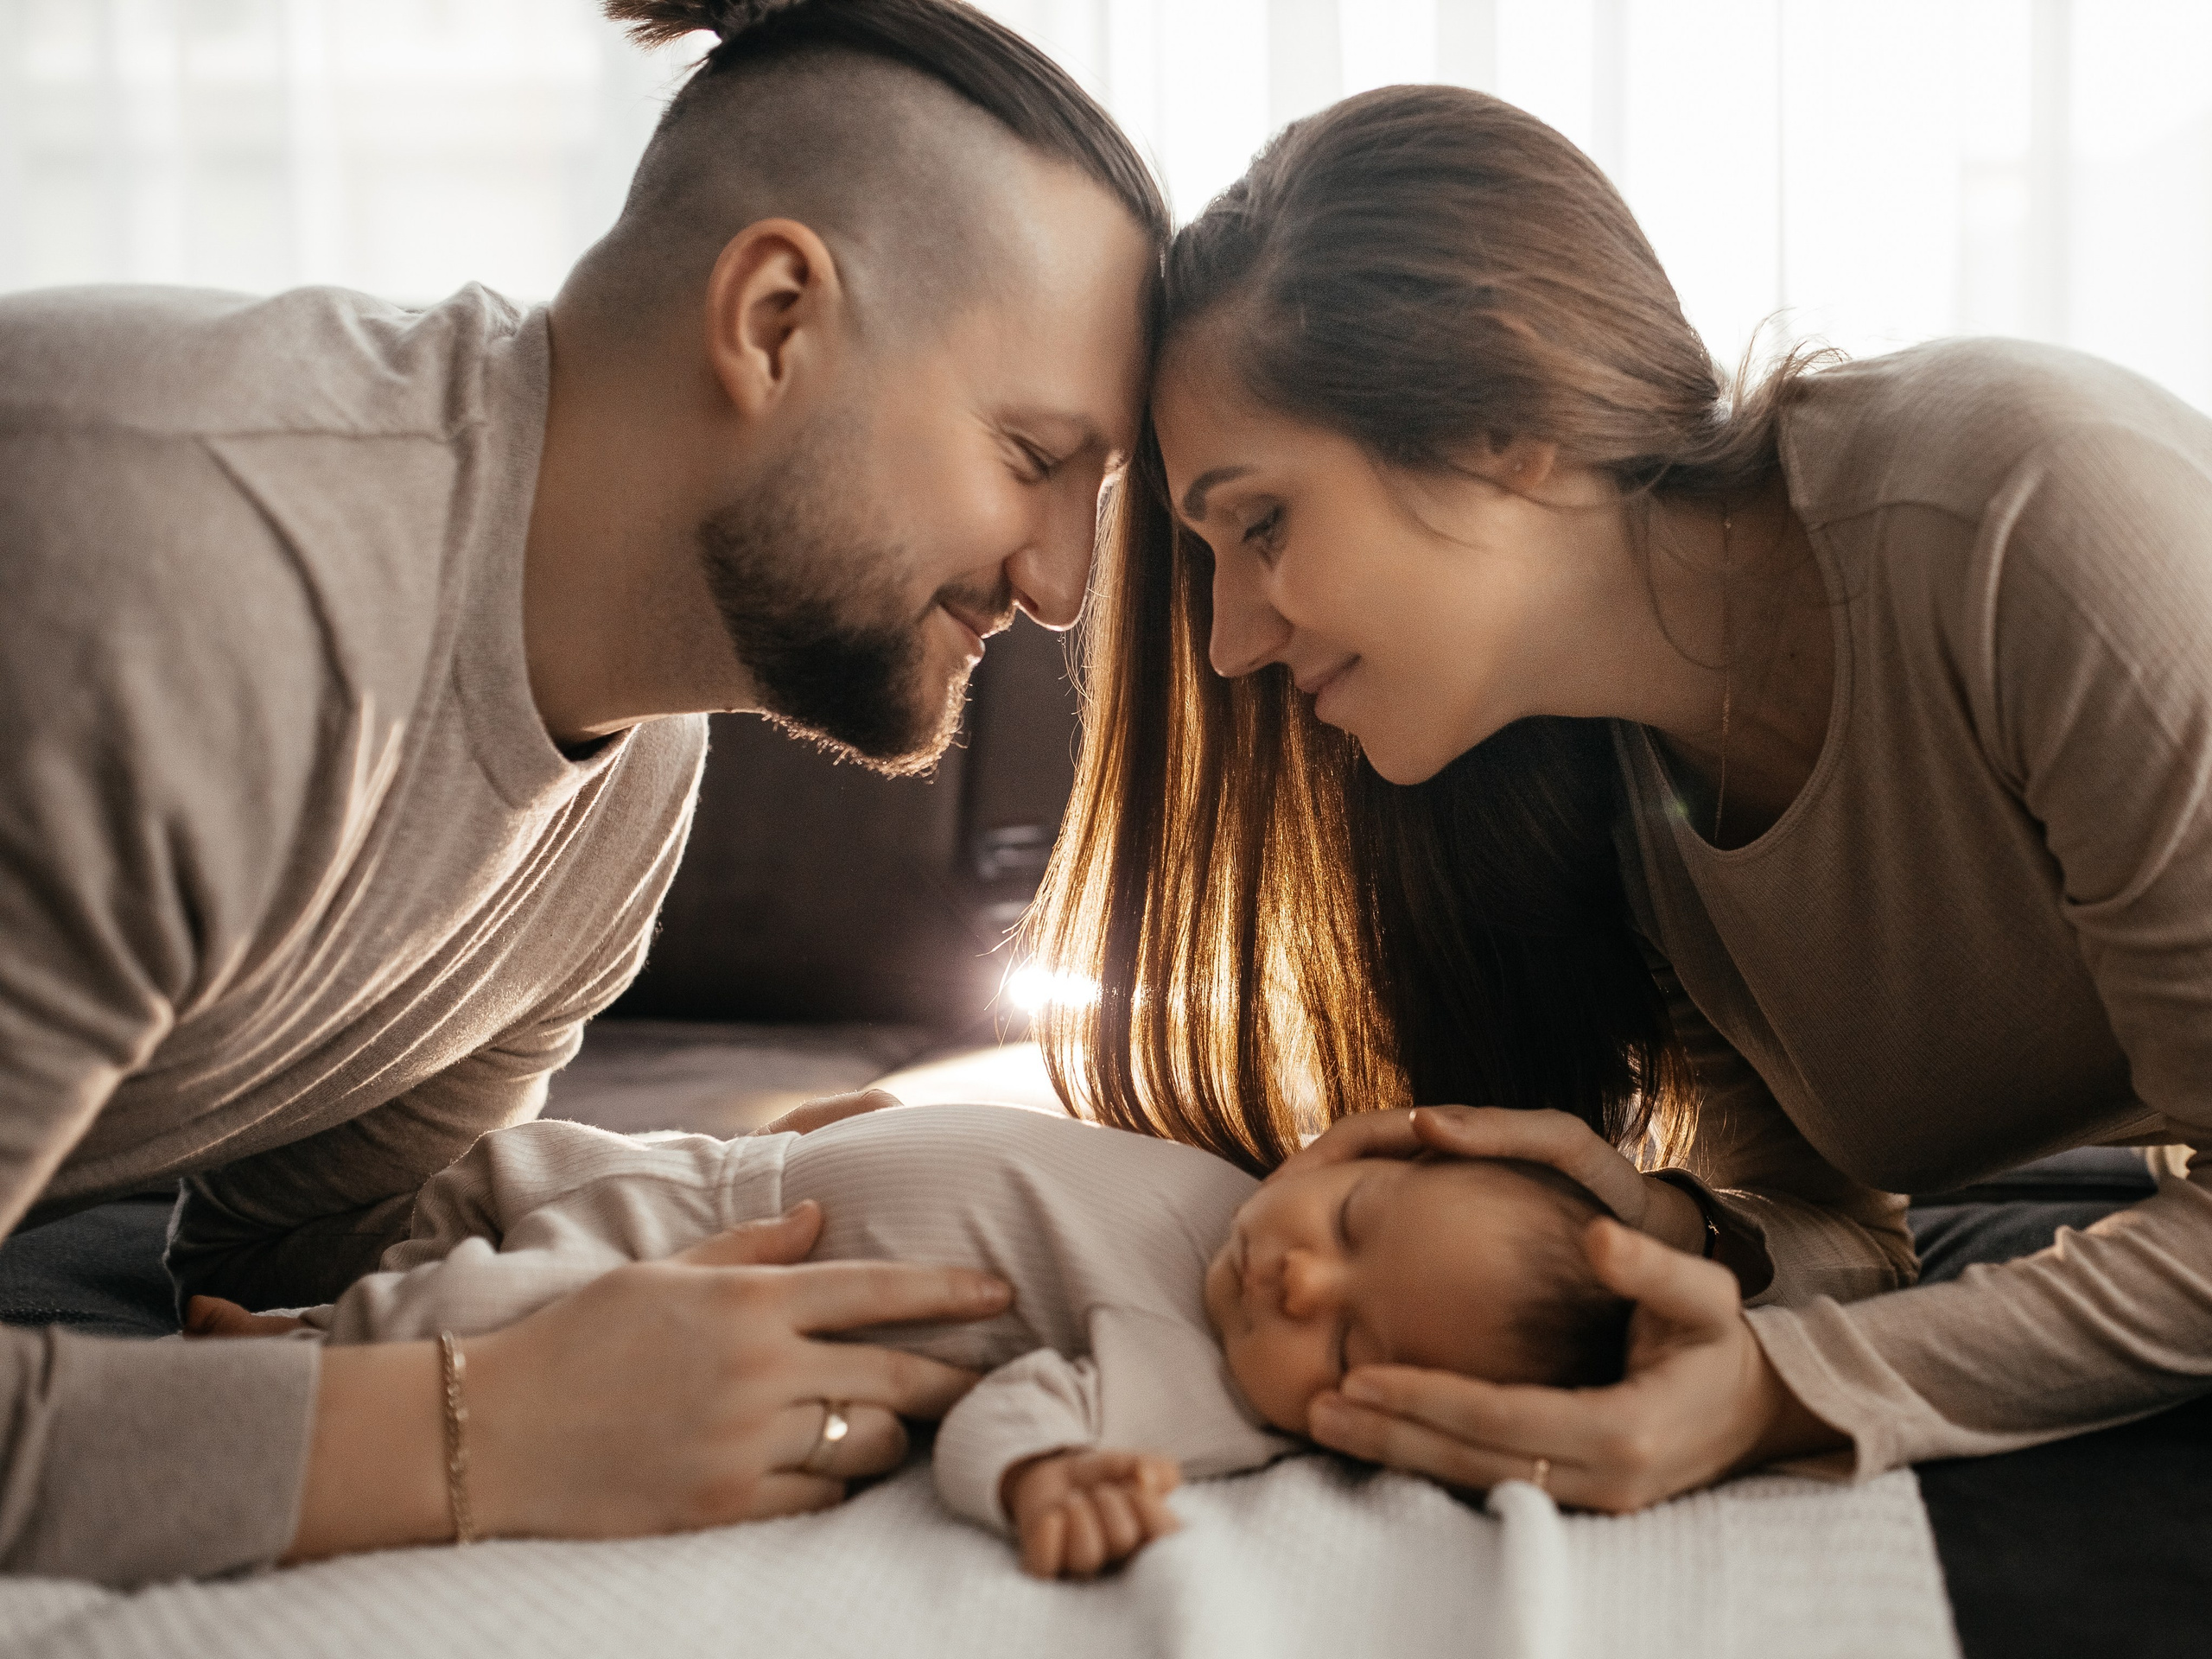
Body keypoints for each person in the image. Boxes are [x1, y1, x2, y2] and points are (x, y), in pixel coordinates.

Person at [0, 0, 1164, 1584]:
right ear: (773, 320)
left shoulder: (629, 779)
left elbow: (298, 1265)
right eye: (1033, 456)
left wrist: (807, 1217)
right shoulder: (188, 592)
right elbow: (442, 1398)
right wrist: (487, 1433)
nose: (1063, 584)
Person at [1027, 82, 2212, 1514]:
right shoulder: (1602, 779)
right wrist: (1660, 1229)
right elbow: (1849, 1231)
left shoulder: (2029, 513)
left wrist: (1777, 1394)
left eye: (1261, 523)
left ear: (1499, 419)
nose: (1228, 644)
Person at [194, 1102, 1629, 1579]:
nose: (1304, 1279)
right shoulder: (1244, 1194)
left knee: (480, 1315)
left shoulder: (1204, 1390)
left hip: (697, 1275)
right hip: (721, 1165)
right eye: (1356, 1217)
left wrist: (1042, 1479)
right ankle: (302, 1305)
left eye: (1353, 1344)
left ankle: (282, 1361)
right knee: (480, 1184)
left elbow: (1020, 1412)